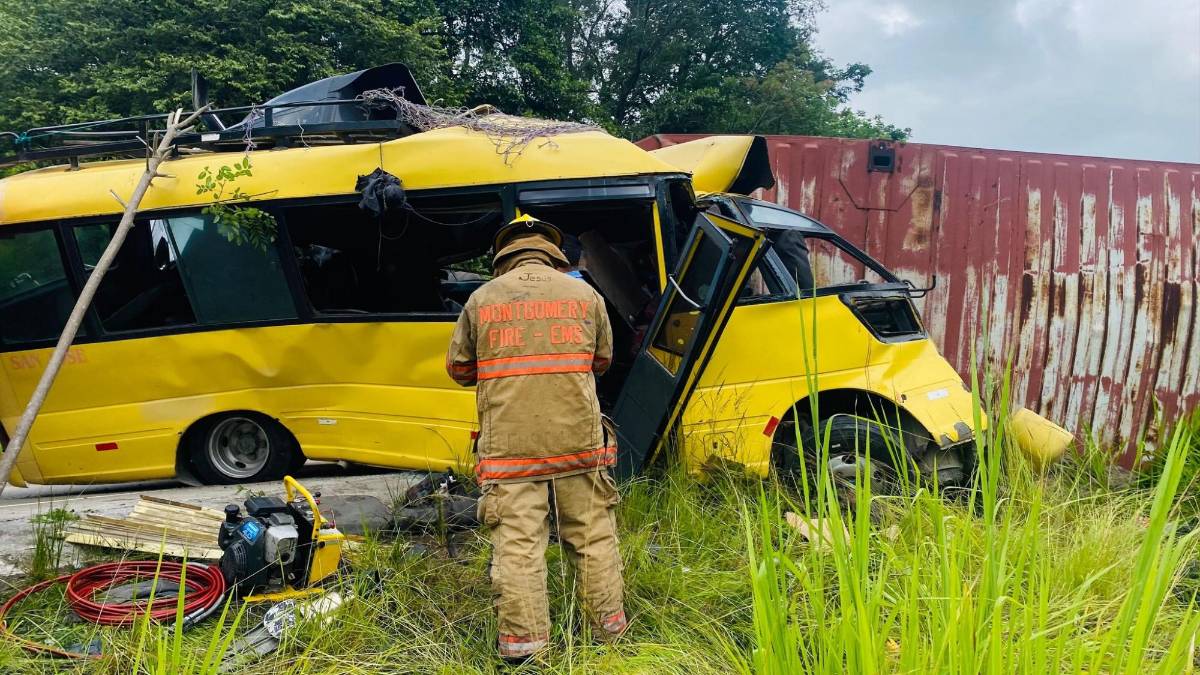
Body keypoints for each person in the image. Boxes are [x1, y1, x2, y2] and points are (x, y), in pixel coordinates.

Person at [445, 214, 626, 662]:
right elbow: (602, 361)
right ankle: (608, 635)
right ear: (554, 251)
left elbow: (459, 370)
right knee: (592, 536)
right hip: (579, 444)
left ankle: (526, 649)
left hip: (510, 451)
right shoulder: (586, 295)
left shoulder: (481, 299)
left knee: (519, 545)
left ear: (501, 256)